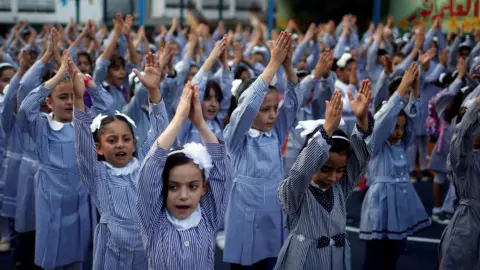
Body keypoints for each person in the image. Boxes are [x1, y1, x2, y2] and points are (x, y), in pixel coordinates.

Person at [73, 52, 168, 269]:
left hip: (146, 246)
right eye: (112, 140)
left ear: (135, 144)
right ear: (98, 147)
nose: (120, 145)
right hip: (112, 251)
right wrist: (79, 100)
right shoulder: (97, 173)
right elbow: (82, 145)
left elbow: (161, 134)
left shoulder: (143, 164)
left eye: (126, 139)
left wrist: (154, 91)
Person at [18, 51, 112, 270]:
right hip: (51, 199)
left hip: (79, 198)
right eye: (62, 97)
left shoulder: (84, 122)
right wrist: (57, 74)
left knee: (77, 256)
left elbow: (107, 105)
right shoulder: (42, 126)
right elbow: (25, 107)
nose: (70, 102)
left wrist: (85, 79)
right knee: (52, 254)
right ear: (49, 101)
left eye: (72, 96)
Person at [275, 80, 373, 270]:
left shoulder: (340, 188)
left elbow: (359, 160)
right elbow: (300, 172)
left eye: (339, 170)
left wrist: (362, 121)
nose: (333, 177)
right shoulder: (293, 192)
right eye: (325, 169)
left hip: (335, 260)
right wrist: (326, 131)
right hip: (304, 262)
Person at [222, 31, 300, 269]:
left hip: (272, 218)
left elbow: (294, 104)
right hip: (244, 220)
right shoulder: (237, 137)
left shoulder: (275, 132)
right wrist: (272, 64)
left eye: (275, 108)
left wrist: (287, 67)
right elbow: (247, 106)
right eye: (266, 109)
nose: (273, 115)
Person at [136, 80, 233, 270]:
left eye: (193, 186)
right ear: (162, 187)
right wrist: (179, 119)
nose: (183, 195)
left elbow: (223, 169)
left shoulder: (209, 215)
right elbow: (150, 171)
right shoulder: (153, 219)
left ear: (204, 188)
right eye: (172, 186)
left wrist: (200, 123)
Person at [360, 63, 431, 270]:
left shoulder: (400, 145)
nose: (399, 132)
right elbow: (384, 119)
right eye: (395, 127)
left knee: (392, 257)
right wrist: (402, 89)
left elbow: (413, 119)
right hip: (381, 205)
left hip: (399, 203)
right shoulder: (377, 144)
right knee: (374, 259)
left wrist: (415, 90)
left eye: (401, 128)